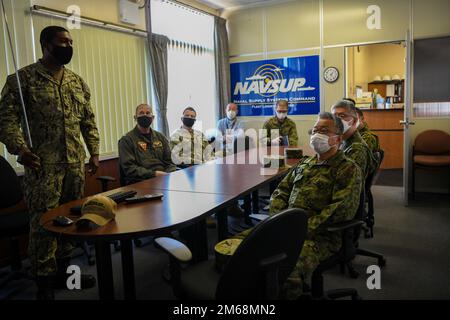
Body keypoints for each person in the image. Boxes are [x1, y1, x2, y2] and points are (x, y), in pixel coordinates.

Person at [216, 112, 363, 299]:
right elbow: (280, 191)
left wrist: (296, 230)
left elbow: (340, 211)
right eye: (315, 130)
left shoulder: (347, 168)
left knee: (281, 271)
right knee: (230, 250)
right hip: (282, 227)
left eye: (324, 131)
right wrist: (279, 222)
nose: (317, 134)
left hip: (318, 237)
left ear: (338, 139)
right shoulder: (305, 163)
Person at [0, 26, 100, 299]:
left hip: (73, 166)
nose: (68, 45)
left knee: (70, 223)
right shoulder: (21, 81)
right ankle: (44, 288)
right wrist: (19, 148)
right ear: (46, 44)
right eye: (62, 41)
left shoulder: (77, 82)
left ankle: (66, 277)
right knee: (44, 226)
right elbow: (6, 121)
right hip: (42, 168)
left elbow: (88, 120)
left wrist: (94, 151)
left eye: (70, 41)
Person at [118, 104, 176, 185]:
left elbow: (169, 162)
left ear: (153, 118)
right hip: (140, 182)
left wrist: (169, 174)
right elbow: (129, 169)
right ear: (135, 118)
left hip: (163, 179)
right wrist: (154, 174)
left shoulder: (161, 137)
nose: (145, 115)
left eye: (148, 113)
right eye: (141, 113)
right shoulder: (127, 140)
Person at [331, 100, 377, 180]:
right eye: (334, 116)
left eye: (342, 115)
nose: (337, 120)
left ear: (355, 121)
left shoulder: (357, 149)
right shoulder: (344, 140)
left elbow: (345, 181)